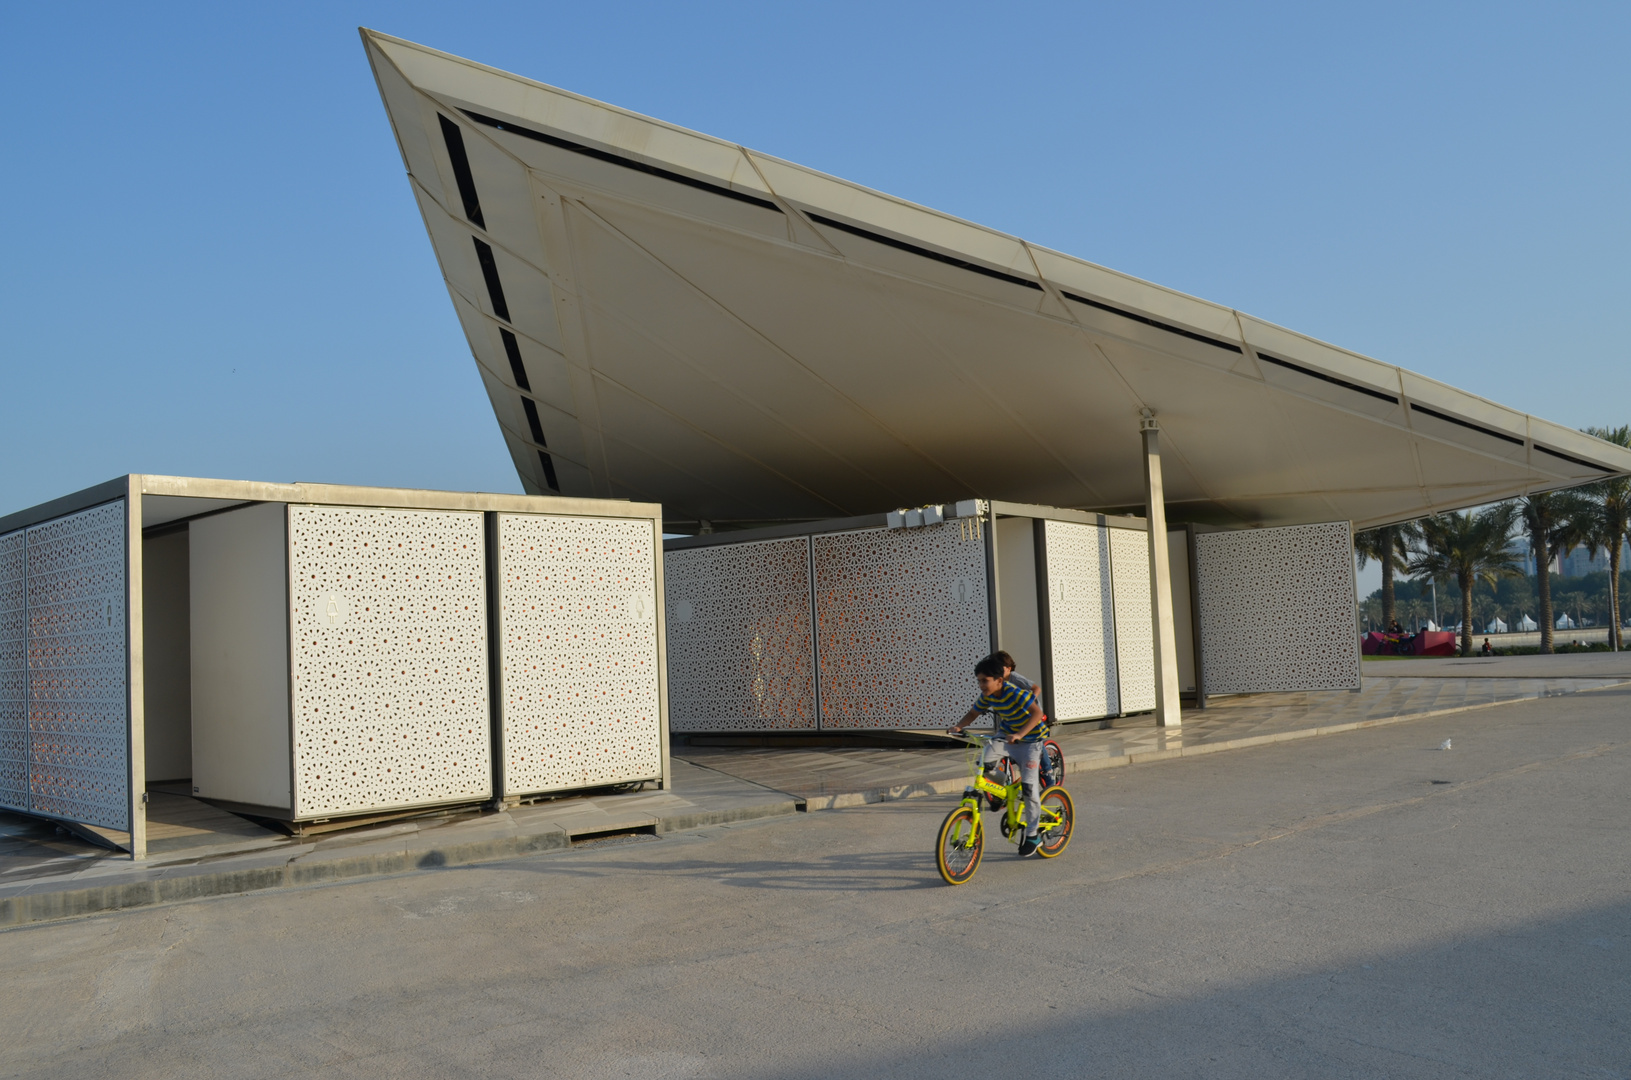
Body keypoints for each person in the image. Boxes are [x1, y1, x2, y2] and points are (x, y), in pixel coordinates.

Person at [947, 656, 1049, 856]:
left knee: (1029, 788)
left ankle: (1033, 835)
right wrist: (959, 726)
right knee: (985, 764)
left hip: (1030, 740)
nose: (981, 685)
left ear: (999, 680)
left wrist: (1020, 734)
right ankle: (1006, 791)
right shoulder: (988, 696)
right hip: (1006, 736)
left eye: (985, 680)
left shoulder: (1016, 693)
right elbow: (973, 713)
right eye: (979, 681)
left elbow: (1037, 714)